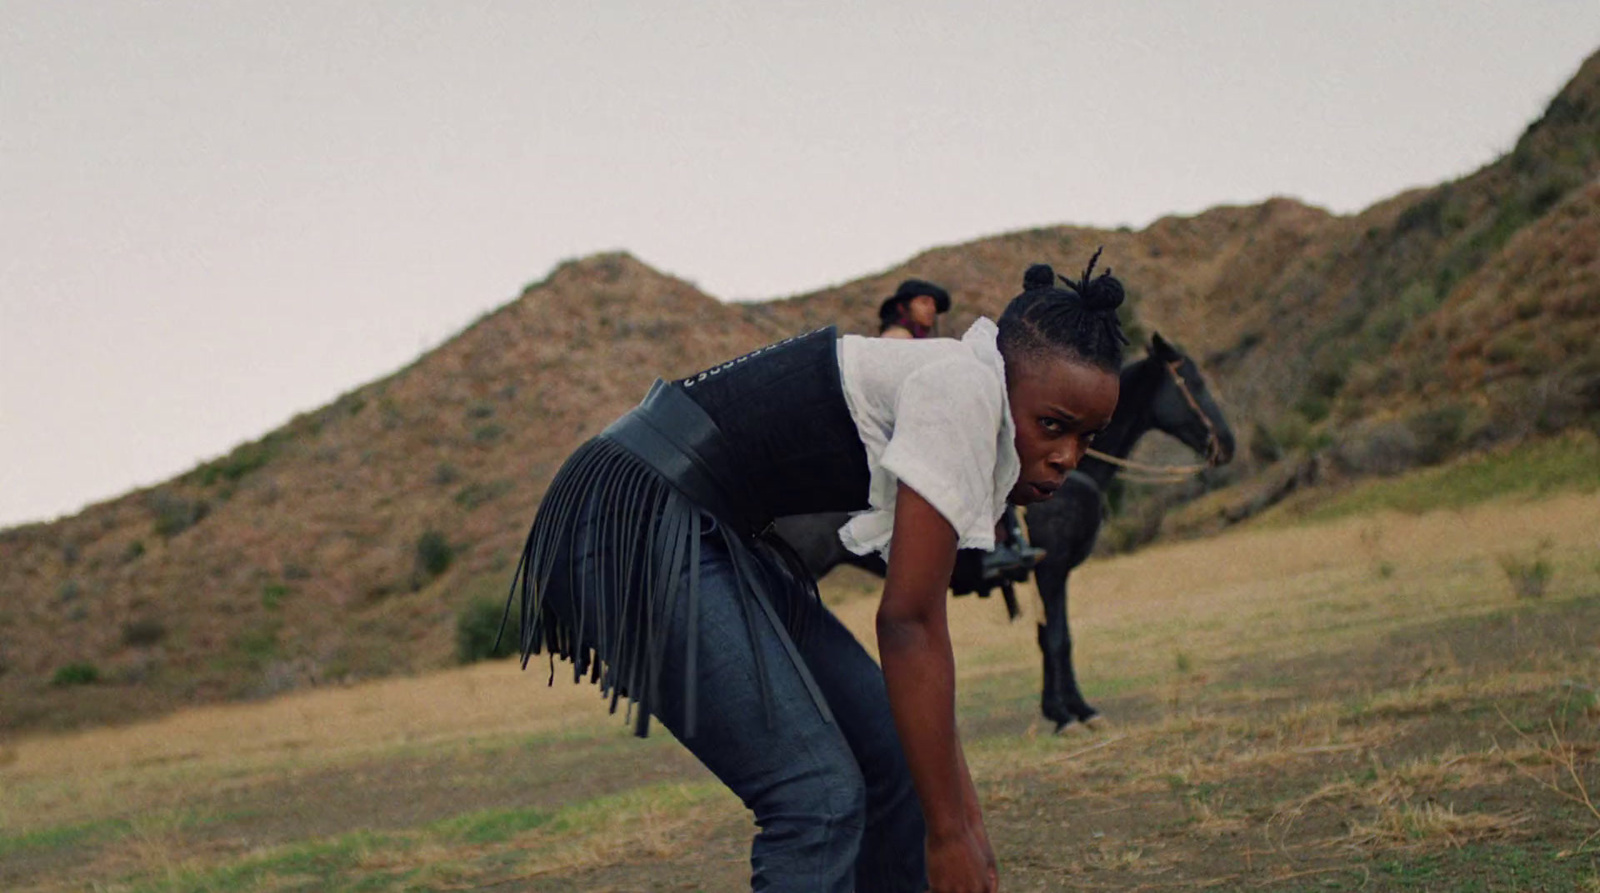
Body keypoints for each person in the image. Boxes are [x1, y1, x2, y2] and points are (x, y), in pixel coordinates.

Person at [504, 253, 1129, 893]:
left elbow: (921, 685)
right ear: (1007, 378)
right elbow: (909, 623)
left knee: (892, 755)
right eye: (1053, 425)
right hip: (626, 520)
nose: (1065, 456)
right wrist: (950, 836)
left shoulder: (969, 389)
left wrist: (965, 824)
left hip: (703, 522)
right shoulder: (965, 391)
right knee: (817, 797)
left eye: (1087, 437)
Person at [878, 278, 951, 339]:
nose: (932, 309)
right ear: (902, 307)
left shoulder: (915, 336)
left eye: (934, 304)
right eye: (924, 302)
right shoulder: (898, 336)